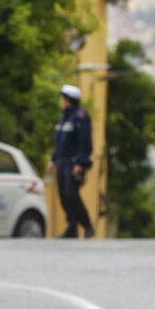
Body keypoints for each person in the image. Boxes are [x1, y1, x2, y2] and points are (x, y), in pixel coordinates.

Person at [50, 84, 94, 239]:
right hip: (62, 162)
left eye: (63, 98)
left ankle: (87, 226)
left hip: (73, 163)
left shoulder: (80, 117)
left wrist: (80, 163)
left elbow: (85, 143)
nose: (61, 101)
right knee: (63, 196)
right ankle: (72, 228)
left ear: (68, 99)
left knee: (71, 195)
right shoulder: (64, 118)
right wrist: (53, 160)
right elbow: (60, 142)